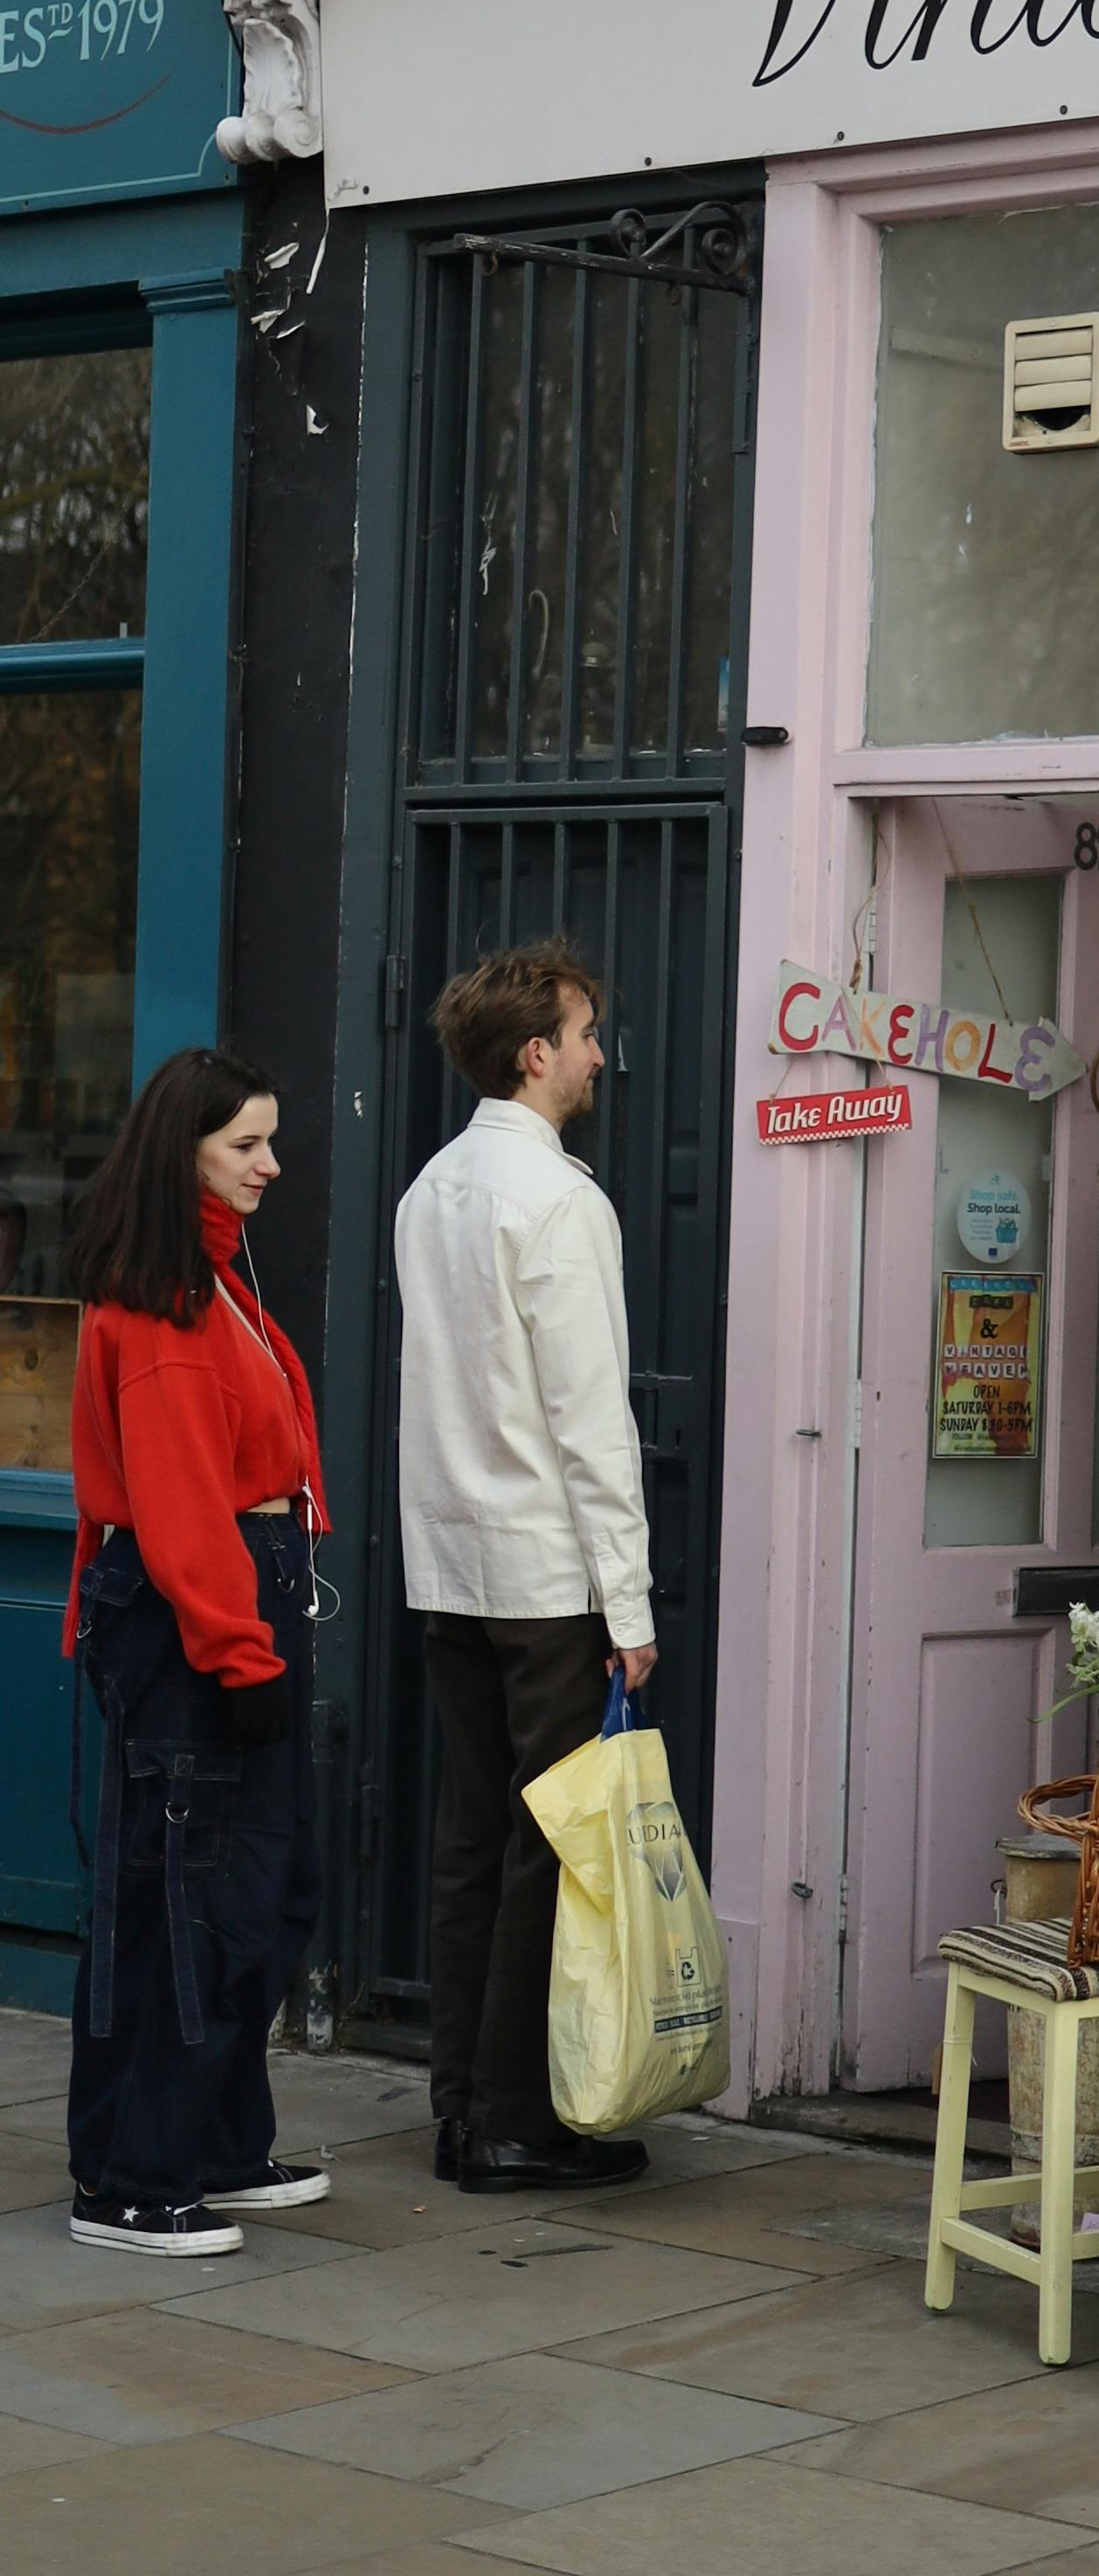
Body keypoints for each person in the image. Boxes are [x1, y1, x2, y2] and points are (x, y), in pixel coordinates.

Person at [397, 940, 658, 2194]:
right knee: (545, 1846)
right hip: (546, 1575)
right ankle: (510, 2123)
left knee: (469, 1837)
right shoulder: (558, 1201)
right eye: (586, 1029)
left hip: (448, 1562)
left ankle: (461, 2105)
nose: (600, 1053)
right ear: (533, 1053)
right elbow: (589, 1417)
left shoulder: (431, 1188)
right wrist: (630, 1598)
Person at [63, 1048, 332, 2256]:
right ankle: (132, 2175)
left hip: (233, 1599)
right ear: (185, 1156)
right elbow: (180, 1508)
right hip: (198, 1615)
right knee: (189, 1904)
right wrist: (241, 1650)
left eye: (270, 1141)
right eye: (246, 1146)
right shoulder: (170, 1305)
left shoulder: (210, 1282)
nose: (272, 1165)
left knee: (248, 1892)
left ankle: (211, 2144)